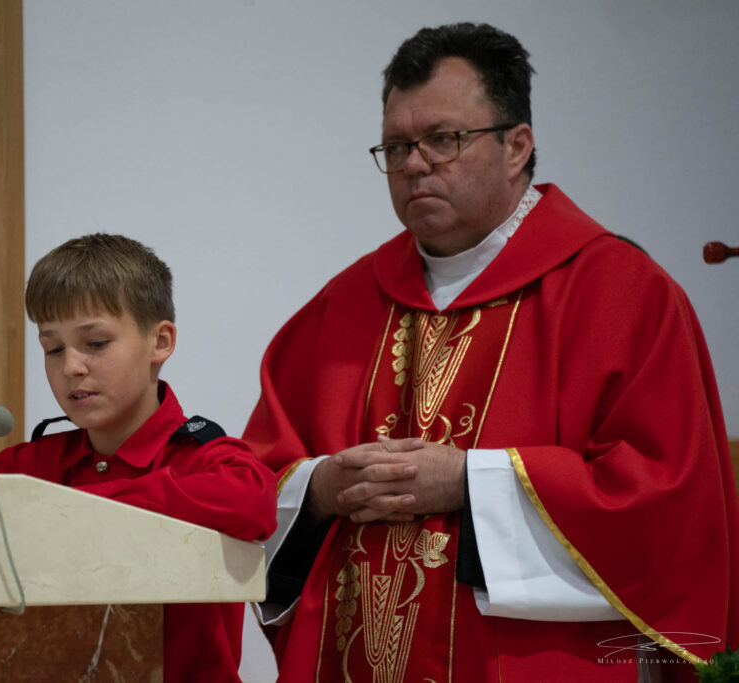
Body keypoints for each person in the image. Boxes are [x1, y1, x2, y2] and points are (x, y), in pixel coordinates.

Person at [243, 22, 738, 682]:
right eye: (396, 146)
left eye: (443, 139)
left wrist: (468, 482)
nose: (414, 164)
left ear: (516, 146)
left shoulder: (621, 294)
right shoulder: (343, 306)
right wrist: (323, 488)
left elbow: (664, 506)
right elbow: (252, 484)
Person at [0, 233, 277, 683]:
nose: (70, 367)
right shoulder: (37, 464)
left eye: (95, 343)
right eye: (53, 348)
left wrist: (74, 507)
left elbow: (254, 501)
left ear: (160, 341)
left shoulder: (206, 459)